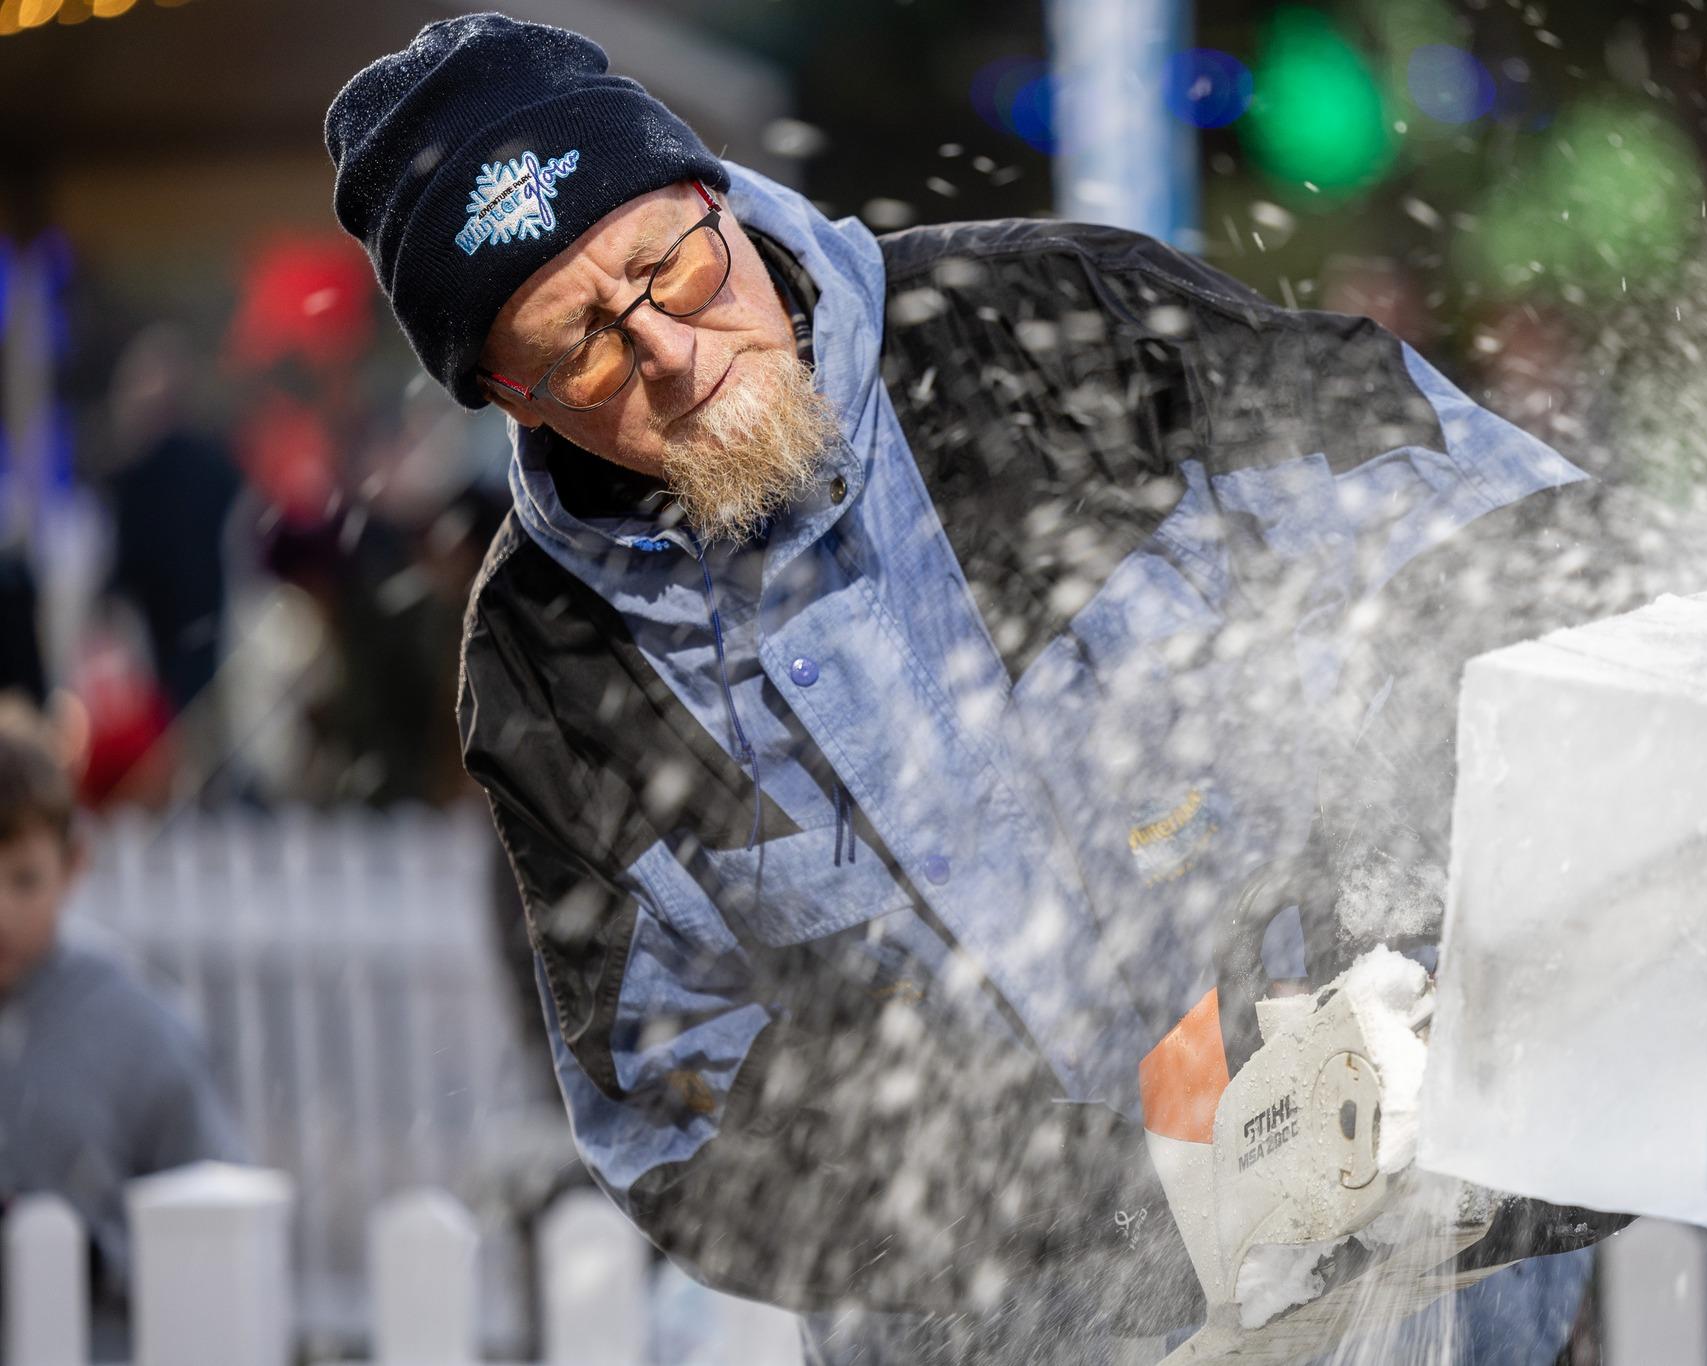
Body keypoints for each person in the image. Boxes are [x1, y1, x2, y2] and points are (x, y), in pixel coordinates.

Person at [326, 16, 1625, 1362]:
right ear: (508, 396)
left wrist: (1397, 932)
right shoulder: (554, 662)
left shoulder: (1063, 329)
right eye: (583, 342)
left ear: (713, 194)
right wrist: (1106, 1208)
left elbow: (1507, 559)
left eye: (672, 265)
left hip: (1418, 1281)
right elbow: (681, 1121)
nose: (668, 346)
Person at [0, 697, 246, 1359]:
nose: (1, 913)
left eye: (24, 880)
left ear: (73, 865)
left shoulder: (137, 1028)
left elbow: (213, 1203)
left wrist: (103, 1262)